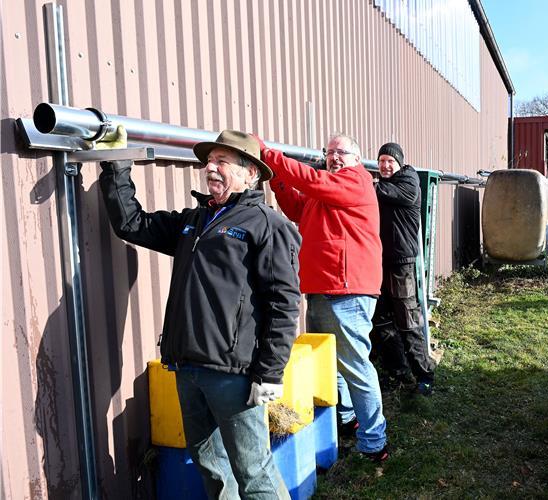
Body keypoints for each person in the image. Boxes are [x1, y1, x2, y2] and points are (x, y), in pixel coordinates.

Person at [98, 128, 299, 499]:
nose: (211, 167)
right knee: (211, 465)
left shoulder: (267, 225)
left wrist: (270, 371)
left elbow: (284, 302)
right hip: (187, 368)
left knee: (253, 471)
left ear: (250, 173)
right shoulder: (193, 221)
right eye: (209, 161)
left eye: (222, 161)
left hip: (233, 376)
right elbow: (133, 224)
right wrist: (116, 165)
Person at [258, 133, 389, 462]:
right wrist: (277, 179)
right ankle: (348, 421)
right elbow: (297, 208)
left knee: (355, 366)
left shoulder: (355, 181)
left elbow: (311, 180)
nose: (334, 157)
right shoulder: (328, 190)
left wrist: (267, 154)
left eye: (341, 152)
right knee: (331, 364)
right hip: (324, 288)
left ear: (357, 158)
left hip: (346, 290)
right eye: (329, 153)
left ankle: (374, 442)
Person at [371, 142, 435, 395]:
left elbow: (380, 192)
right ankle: (398, 371)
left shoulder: (408, 183)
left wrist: (364, 183)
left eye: (390, 161)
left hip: (402, 265)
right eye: (381, 161)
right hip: (381, 262)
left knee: (408, 321)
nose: (385, 165)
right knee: (382, 320)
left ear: (399, 163)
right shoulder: (385, 185)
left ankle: (425, 375)